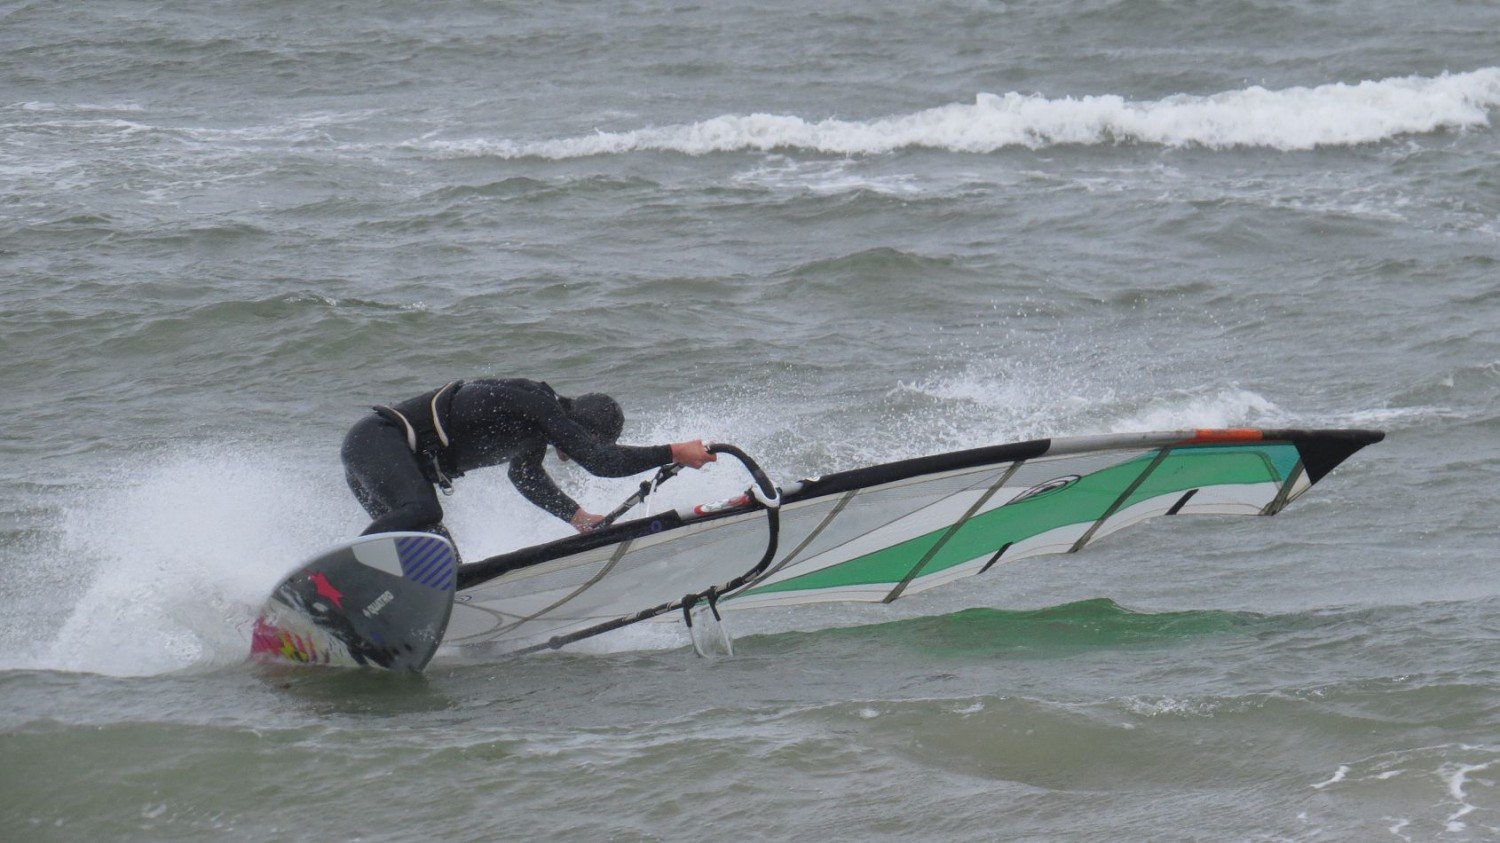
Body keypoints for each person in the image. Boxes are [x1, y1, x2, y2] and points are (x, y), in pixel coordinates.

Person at [340, 379, 715, 548]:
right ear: (589, 430)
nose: (572, 453)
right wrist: (673, 452)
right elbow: (602, 462)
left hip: (381, 459)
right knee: (423, 509)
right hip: (376, 440)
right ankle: (339, 575)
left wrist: (578, 518)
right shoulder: (534, 403)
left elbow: (525, 475)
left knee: (442, 562)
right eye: (584, 442)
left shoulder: (535, 428)